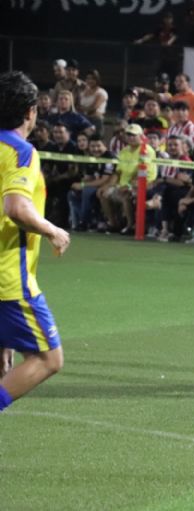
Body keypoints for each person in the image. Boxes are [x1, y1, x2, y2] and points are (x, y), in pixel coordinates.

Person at [0, 71, 70, 412]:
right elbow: (16, 207)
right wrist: (52, 230)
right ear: (31, 111)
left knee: (5, 365)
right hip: (8, 281)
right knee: (47, 358)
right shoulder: (20, 152)